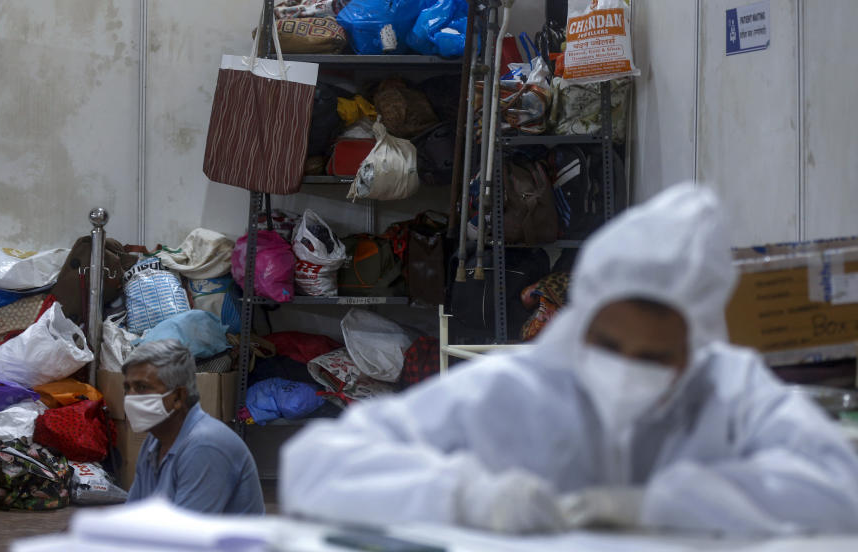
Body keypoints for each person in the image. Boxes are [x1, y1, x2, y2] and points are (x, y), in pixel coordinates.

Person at [280, 184, 858, 535]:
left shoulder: (729, 394)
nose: (628, 368)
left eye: (655, 357)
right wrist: (465, 494)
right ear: (580, 323)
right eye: (610, 345)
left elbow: (843, 492)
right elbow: (316, 467)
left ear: (696, 347)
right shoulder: (520, 391)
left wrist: (667, 504)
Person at [123, 339, 264, 514]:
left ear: (178, 397)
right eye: (127, 388)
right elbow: (133, 517)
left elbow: (185, 535)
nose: (130, 397)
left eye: (142, 387)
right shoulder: (154, 443)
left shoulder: (205, 445)